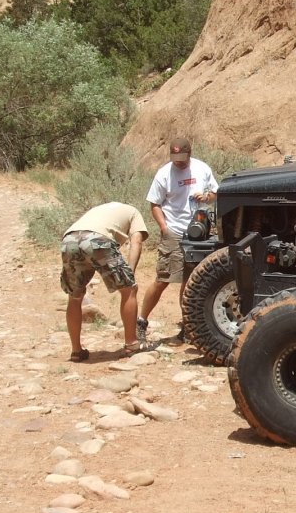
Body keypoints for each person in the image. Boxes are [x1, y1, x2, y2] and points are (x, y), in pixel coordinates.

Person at [137, 138, 218, 343]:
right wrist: (165, 228)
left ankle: (188, 326)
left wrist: (206, 197)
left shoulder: (202, 168)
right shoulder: (164, 173)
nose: (179, 162)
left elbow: (215, 193)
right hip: (173, 232)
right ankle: (141, 321)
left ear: (190, 154)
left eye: (182, 158)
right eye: (175, 158)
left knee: (191, 282)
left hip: (198, 233)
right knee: (163, 279)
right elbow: (154, 204)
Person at [60, 201, 149, 361]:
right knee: (129, 289)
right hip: (98, 239)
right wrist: (130, 273)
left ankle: (76, 350)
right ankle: (131, 344)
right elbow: (136, 241)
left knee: (75, 296)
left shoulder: (99, 209)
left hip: (69, 239)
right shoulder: (134, 212)